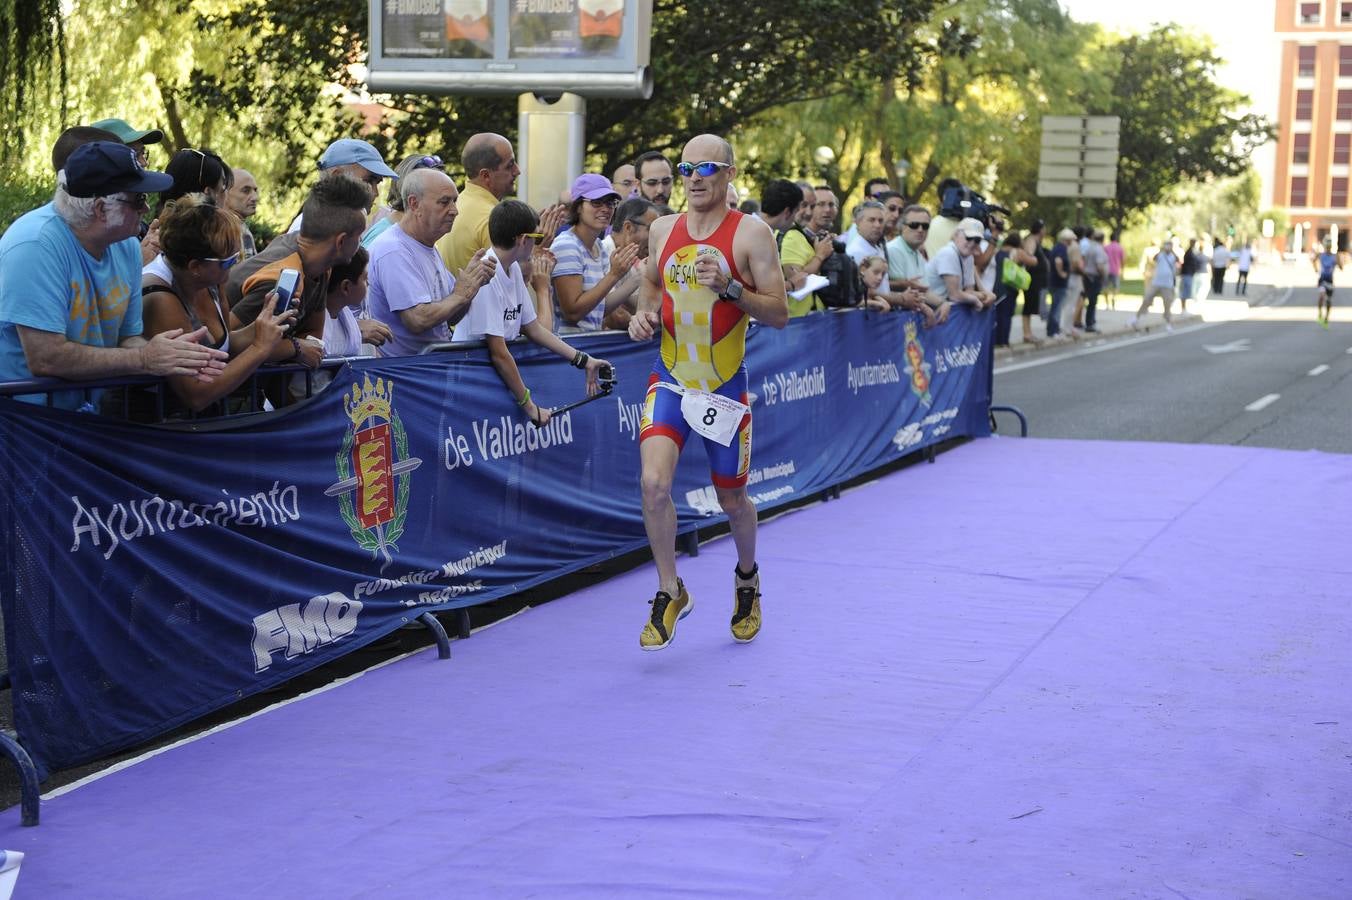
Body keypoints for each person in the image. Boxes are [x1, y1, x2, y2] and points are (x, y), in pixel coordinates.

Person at [628, 134, 788, 651]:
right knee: (654, 485)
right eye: (686, 168)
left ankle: (747, 579)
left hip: (723, 387)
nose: (694, 178)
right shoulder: (662, 229)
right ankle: (670, 590)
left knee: (732, 498)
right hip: (670, 376)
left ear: (730, 173)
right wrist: (642, 315)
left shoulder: (752, 234)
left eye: (707, 168)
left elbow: (780, 314)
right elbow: (651, 286)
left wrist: (731, 288)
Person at [0, 141, 227, 410]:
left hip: (86, 420)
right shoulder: (35, 245)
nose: (146, 209)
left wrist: (174, 357)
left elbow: (127, 338)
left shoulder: (127, 245)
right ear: (99, 208)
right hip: (24, 423)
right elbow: (46, 358)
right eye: (138, 199)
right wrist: (144, 359)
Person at [452, 200, 612, 425]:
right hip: (468, 384)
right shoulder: (488, 272)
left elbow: (534, 328)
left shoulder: (513, 268)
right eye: (537, 238)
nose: (539, 245)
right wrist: (529, 406)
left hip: (486, 382)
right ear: (522, 240)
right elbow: (499, 353)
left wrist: (583, 360)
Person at [140, 195, 294, 415]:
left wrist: (263, 324)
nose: (234, 266)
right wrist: (260, 348)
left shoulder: (210, 280)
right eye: (229, 261)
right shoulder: (159, 297)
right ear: (195, 266)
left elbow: (225, 345)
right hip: (158, 426)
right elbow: (195, 394)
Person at [227, 173, 373, 376]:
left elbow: (312, 338)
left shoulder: (320, 263)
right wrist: (293, 348)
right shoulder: (278, 278)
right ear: (340, 242)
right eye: (359, 236)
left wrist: (297, 347)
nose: (361, 243)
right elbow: (225, 342)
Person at [366, 168, 495, 356]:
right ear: (414, 203)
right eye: (444, 202)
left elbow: (451, 316)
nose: (454, 211)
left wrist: (472, 286)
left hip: (428, 369)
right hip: (408, 375)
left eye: (455, 201)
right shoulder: (393, 249)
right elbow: (417, 320)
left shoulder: (427, 245)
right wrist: (460, 294)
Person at [552, 173, 639, 331]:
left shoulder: (598, 246)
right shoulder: (567, 245)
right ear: (578, 206)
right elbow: (572, 313)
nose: (606, 209)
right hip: (568, 348)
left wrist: (638, 278)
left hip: (588, 345)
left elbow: (598, 310)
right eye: (596, 202)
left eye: (611, 203)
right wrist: (614, 275)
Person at [437, 133, 520, 272]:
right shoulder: (493, 219)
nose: (517, 171)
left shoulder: (458, 205)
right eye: (510, 165)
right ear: (486, 175)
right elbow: (509, 284)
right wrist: (536, 246)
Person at [598, 197, 660, 330]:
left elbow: (638, 306)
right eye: (653, 230)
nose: (657, 238)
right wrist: (643, 325)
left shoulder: (630, 260)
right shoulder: (601, 254)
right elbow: (615, 317)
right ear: (628, 228)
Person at [927, 217, 995, 311]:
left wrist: (985, 295)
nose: (972, 243)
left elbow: (968, 291)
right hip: (930, 307)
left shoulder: (968, 257)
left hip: (944, 309)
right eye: (968, 238)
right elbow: (954, 295)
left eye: (977, 240)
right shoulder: (949, 253)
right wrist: (977, 300)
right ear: (956, 235)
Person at [1132, 239, 1179, 332]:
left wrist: (1172, 250)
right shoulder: (1160, 255)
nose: (1167, 247)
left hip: (1167, 284)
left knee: (1167, 304)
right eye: (1166, 245)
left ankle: (1168, 323)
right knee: (1147, 299)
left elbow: (1178, 260)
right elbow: (1154, 258)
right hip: (1156, 282)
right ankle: (1137, 317)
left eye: (1169, 245)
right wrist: (1162, 250)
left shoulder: (1173, 256)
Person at [225, 168, 261, 258]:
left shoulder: (239, 225)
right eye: (246, 191)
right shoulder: (231, 229)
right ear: (225, 192)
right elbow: (246, 271)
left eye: (255, 190)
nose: (255, 197)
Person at [1314, 240, 1340, 327]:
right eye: (1327, 247)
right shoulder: (1321, 255)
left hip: (1330, 280)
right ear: (1325, 247)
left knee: (1328, 300)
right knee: (1321, 296)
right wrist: (1316, 269)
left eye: (1329, 247)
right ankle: (1320, 313)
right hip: (1322, 279)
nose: (1328, 249)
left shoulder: (1334, 256)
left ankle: (1326, 318)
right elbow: (1314, 260)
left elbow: (1341, 267)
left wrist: (1338, 262)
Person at [1103, 229, 1124, 309]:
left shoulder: (1106, 247)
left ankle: (1107, 304)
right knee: (1115, 287)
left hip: (1106, 270)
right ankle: (1113, 298)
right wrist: (1122, 270)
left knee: (1105, 286)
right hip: (1116, 270)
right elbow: (1123, 260)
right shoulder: (1120, 247)